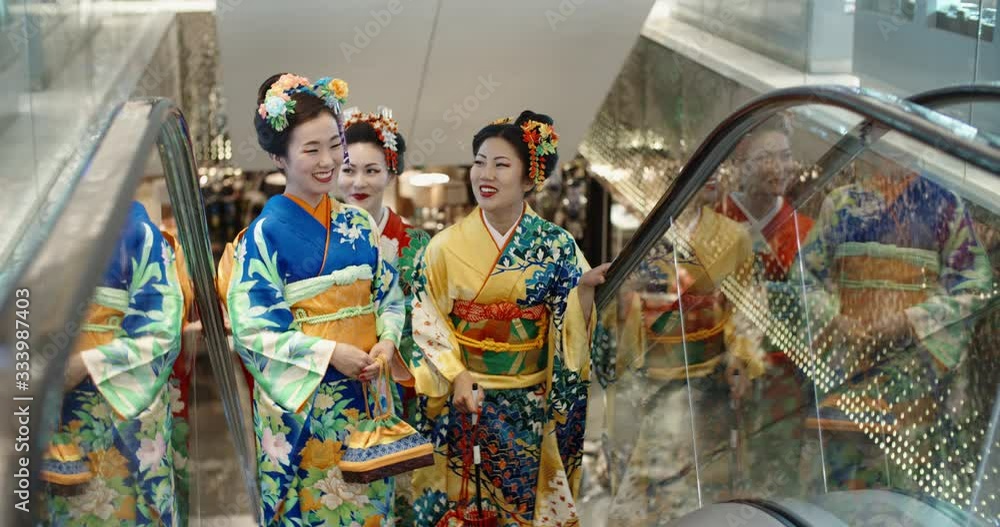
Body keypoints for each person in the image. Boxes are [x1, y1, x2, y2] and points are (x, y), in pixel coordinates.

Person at [406, 111, 610, 526]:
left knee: (521, 508)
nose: (486, 174)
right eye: (479, 162)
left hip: (528, 407)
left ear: (529, 180)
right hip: (466, 400)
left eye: (501, 165)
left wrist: (584, 293)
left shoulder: (556, 246)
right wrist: (456, 374)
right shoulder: (443, 247)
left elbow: (571, 323)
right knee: (464, 505)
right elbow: (426, 318)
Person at [224, 73, 405, 526]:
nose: (328, 161)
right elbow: (253, 330)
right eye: (311, 150)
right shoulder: (263, 235)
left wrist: (387, 342)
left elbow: (388, 296)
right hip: (306, 408)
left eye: (335, 144)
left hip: (366, 394)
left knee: (368, 509)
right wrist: (329, 353)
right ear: (278, 157)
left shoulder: (359, 224)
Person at [792, 148, 992, 494]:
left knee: (900, 486)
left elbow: (975, 285)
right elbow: (802, 277)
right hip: (845, 364)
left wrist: (910, 320)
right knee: (834, 483)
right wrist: (834, 319)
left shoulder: (945, 206)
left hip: (912, 372)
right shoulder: (840, 204)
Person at [607, 175, 765, 523]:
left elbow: (747, 302)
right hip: (644, 370)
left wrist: (741, 354)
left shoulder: (732, 236)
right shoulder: (645, 228)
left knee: (685, 477)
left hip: (703, 376)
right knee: (641, 472)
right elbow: (622, 299)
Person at [42, 201, 186, 526]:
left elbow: (160, 331)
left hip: (119, 400)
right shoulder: (41, 228)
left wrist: (87, 361)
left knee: (127, 506)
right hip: (51, 400)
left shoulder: (139, 232)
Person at [338, 106, 430, 522]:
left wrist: (391, 347)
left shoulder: (415, 243)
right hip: (337, 380)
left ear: (391, 173)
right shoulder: (322, 237)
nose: (358, 182)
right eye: (348, 169)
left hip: (399, 386)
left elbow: (429, 323)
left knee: (399, 494)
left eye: (372, 170)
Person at [717, 115, 815, 496]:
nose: (779, 168)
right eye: (766, 157)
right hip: (714, 375)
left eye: (786, 156)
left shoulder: (805, 232)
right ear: (742, 163)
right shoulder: (716, 220)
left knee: (772, 486)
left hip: (779, 385)